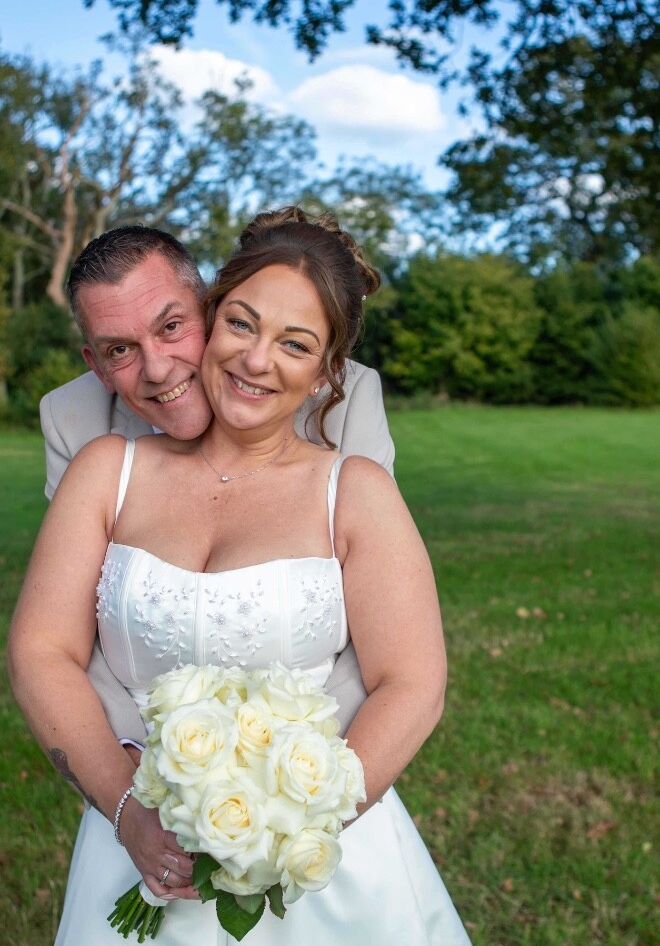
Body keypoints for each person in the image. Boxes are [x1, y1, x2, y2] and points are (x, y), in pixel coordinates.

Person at [9, 207, 471, 945]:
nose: (256, 360)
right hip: (140, 829)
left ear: (328, 374)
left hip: (319, 854)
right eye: (243, 326)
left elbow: (411, 679)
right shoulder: (104, 467)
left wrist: (284, 822)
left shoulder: (353, 489)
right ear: (216, 318)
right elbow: (43, 650)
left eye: (294, 343)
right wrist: (132, 809)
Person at [40, 225, 394, 745]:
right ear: (97, 364)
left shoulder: (341, 396)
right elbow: (76, 624)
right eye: (120, 350)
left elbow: (380, 622)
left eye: (172, 327)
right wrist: (142, 762)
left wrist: (291, 772)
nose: (158, 370)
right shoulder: (74, 421)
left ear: (209, 307)